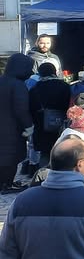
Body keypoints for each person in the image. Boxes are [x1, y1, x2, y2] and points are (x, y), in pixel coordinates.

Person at [0, 53, 34, 191]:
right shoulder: (18, 85)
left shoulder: (2, 81)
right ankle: (6, 183)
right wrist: (28, 126)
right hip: (12, 129)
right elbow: (21, 109)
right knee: (11, 157)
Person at [28, 62, 71, 166]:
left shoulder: (35, 88)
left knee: (45, 153)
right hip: (60, 123)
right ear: (54, 72)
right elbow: (68, 104)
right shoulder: (64, 86)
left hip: (41, 125)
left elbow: (30, 107)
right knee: (61, 151)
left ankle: (43, 177)